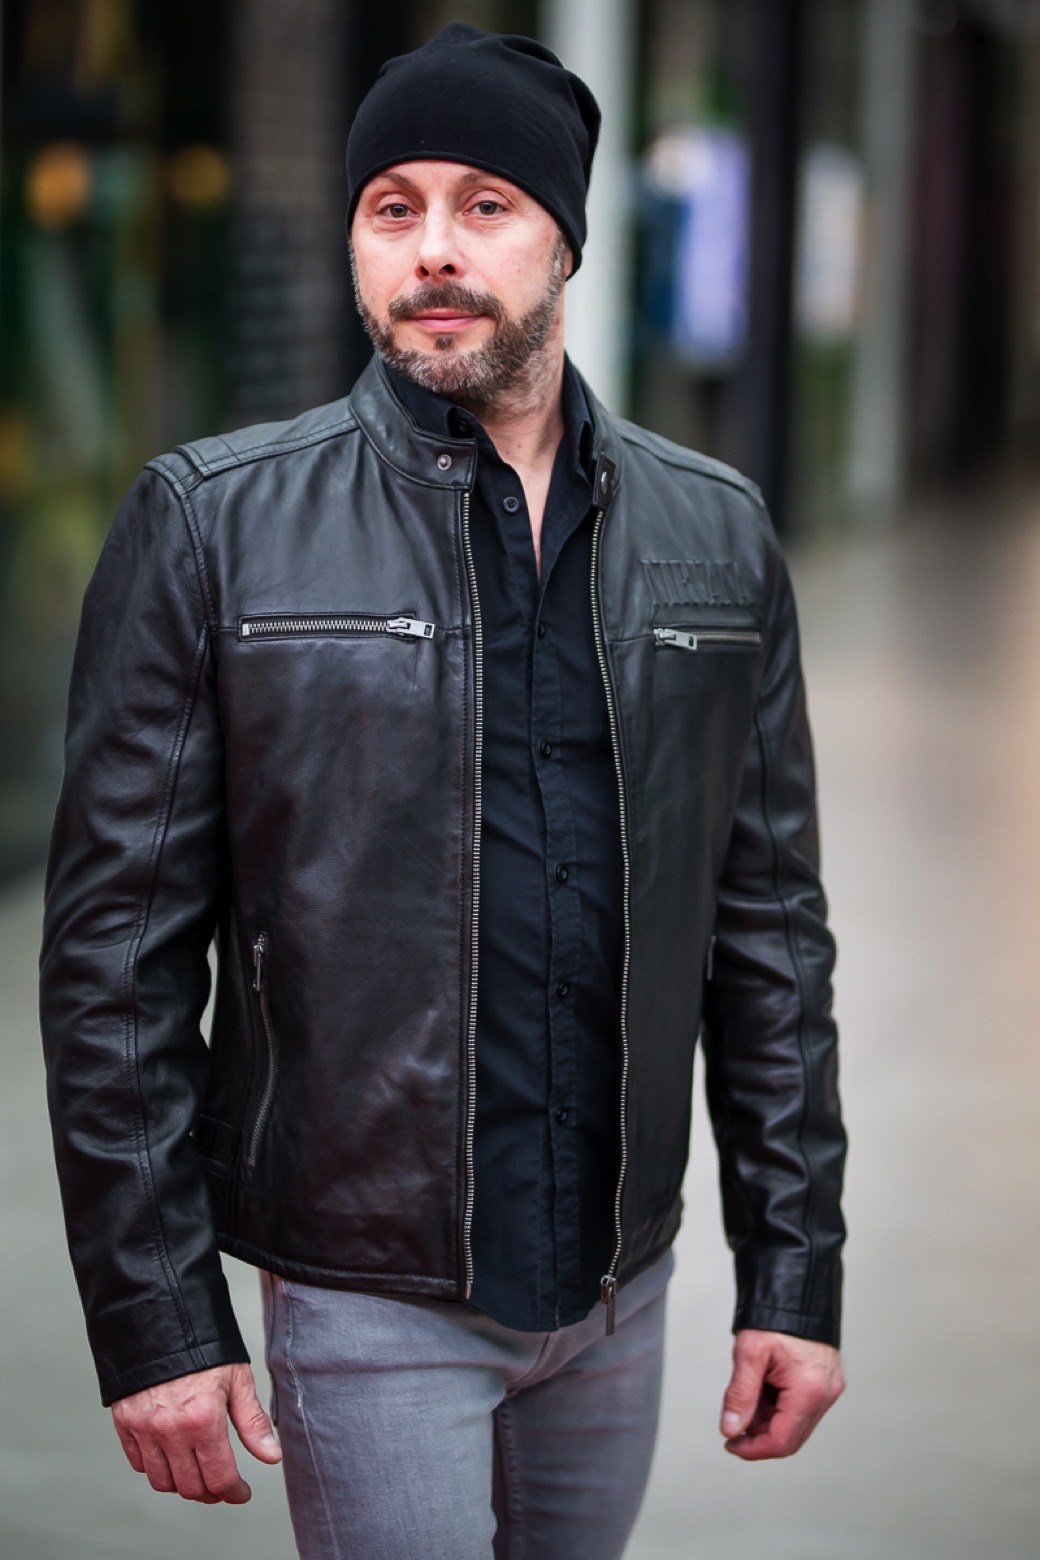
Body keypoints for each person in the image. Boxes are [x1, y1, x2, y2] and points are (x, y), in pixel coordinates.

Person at [40, 23, 846, 1560]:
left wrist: (794, 1277)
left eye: (486, 204)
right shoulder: (214, 526)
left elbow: (769, 937)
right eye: (391, 206)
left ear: (566, 239)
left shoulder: (716, 535)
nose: (433, 251)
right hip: (370, 1289)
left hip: (618, 1285)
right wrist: (157, 1319)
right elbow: (113, 963)